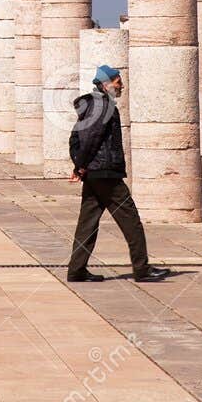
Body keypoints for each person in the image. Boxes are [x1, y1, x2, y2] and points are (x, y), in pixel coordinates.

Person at [66, 64, 170, 285]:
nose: (121, 85)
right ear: (106, 85)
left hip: (95, 173)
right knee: (131, 222)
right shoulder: (103, 106)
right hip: (106, 173)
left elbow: (75, 139)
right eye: (117, 81)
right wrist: (81, 166)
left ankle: (76, 270)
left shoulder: (92, 105)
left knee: (88, 223)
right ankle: (142, 269)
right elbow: (90, 139)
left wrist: (80, 165)